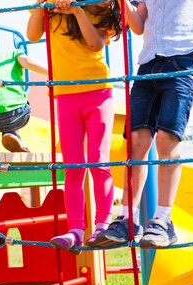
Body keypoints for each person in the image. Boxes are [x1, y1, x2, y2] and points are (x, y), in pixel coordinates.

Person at [93, 0, 193, 248]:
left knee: (167, 139)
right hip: (149, 62)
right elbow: (139, 25)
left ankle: (163, 219)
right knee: (136, 141)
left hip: (183, 58)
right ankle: (127, 217)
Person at [27, 0, 121, 252]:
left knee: (98, 162)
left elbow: (95, 44)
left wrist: (77, 11)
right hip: (66, 95)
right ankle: (76, 229)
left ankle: (102, 224)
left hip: (98, 91)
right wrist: (41, 5)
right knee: (73, 166)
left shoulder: (98, 9)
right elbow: (32, 34)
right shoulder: (52, 10)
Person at [0, 33, 48, 152]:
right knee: (18, 105)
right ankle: (12, 133)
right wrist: (54, 72)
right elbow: (28, 62)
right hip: (13, 115)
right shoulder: (12, 53)